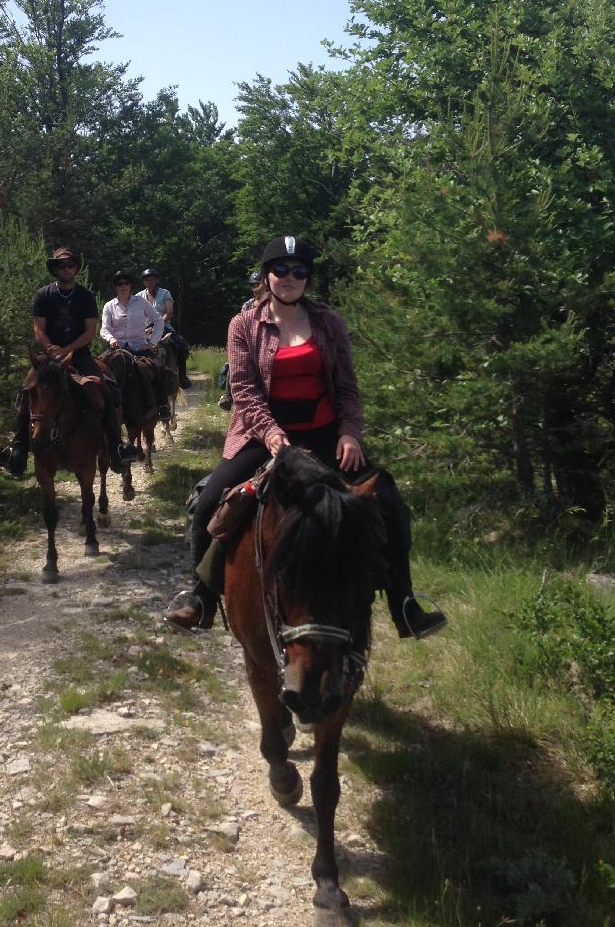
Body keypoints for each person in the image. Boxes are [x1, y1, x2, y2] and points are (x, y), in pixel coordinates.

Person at [164, 235, 447, 640]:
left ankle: (404, 604)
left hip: (325, 433)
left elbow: (347, 389)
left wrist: (349, 433)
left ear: (308, 279)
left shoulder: (329, 323)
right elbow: (244, 391)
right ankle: (201, 597)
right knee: (209, 501)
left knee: (388, 501)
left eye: (299, 271)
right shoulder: (244, 325)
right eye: (281, 269)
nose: (290, 277)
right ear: (268, 275)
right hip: (262, 435)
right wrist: (274, 435)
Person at [10, 247, 137, 476]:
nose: (66, 269)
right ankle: (18, 448)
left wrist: (67, 350)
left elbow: (90, 332)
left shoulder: (85, 296)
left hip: (79, 355)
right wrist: (50, 349)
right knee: (26, 390)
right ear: (55, 269)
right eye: (62, 265)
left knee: (107, 391)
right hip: (49, 355)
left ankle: (116, 447)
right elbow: (38, 328)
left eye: (70, 265)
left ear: (76, 267)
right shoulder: (43, 295)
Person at [100, 270, 171, 420]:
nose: (123, 286)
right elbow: (104, 328)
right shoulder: (109, 306)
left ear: (131, 286)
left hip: (139, 347)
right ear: (115, 287)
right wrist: (111, 338)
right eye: (120, 284)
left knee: (159, 367)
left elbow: (158, 320)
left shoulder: (141, 302)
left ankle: (163, 406)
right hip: (116, 348)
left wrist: (152, 343)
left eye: (126, 283)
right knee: (97, 368)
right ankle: (100, 408)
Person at [218, 270, 267, 409]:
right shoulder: (248, 305)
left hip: (267, 342)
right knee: (233, 364)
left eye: (258, 284)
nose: (255, 288)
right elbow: (242, 326)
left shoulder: (274, 305)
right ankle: (228, 395)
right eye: (252, 285)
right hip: (250, 342)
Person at [138, 268, 191, 389]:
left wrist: (158, 325)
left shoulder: (165, 293)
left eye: (152, 279)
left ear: (157, 280)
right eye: (147, 280)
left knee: (181, 345)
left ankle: (182, 377)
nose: (149, 282)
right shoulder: (139, 296)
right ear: (144, 282)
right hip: (144, 329)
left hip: (164, 326)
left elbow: (169, 312)